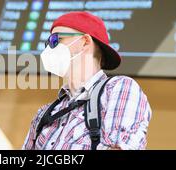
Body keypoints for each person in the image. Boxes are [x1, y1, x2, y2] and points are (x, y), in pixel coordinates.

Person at [23, 12, 152, 150]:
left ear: (85, 42)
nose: (49, 48)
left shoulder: (119, 88)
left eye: (55, 40)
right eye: (47, 43)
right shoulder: (44, 113)